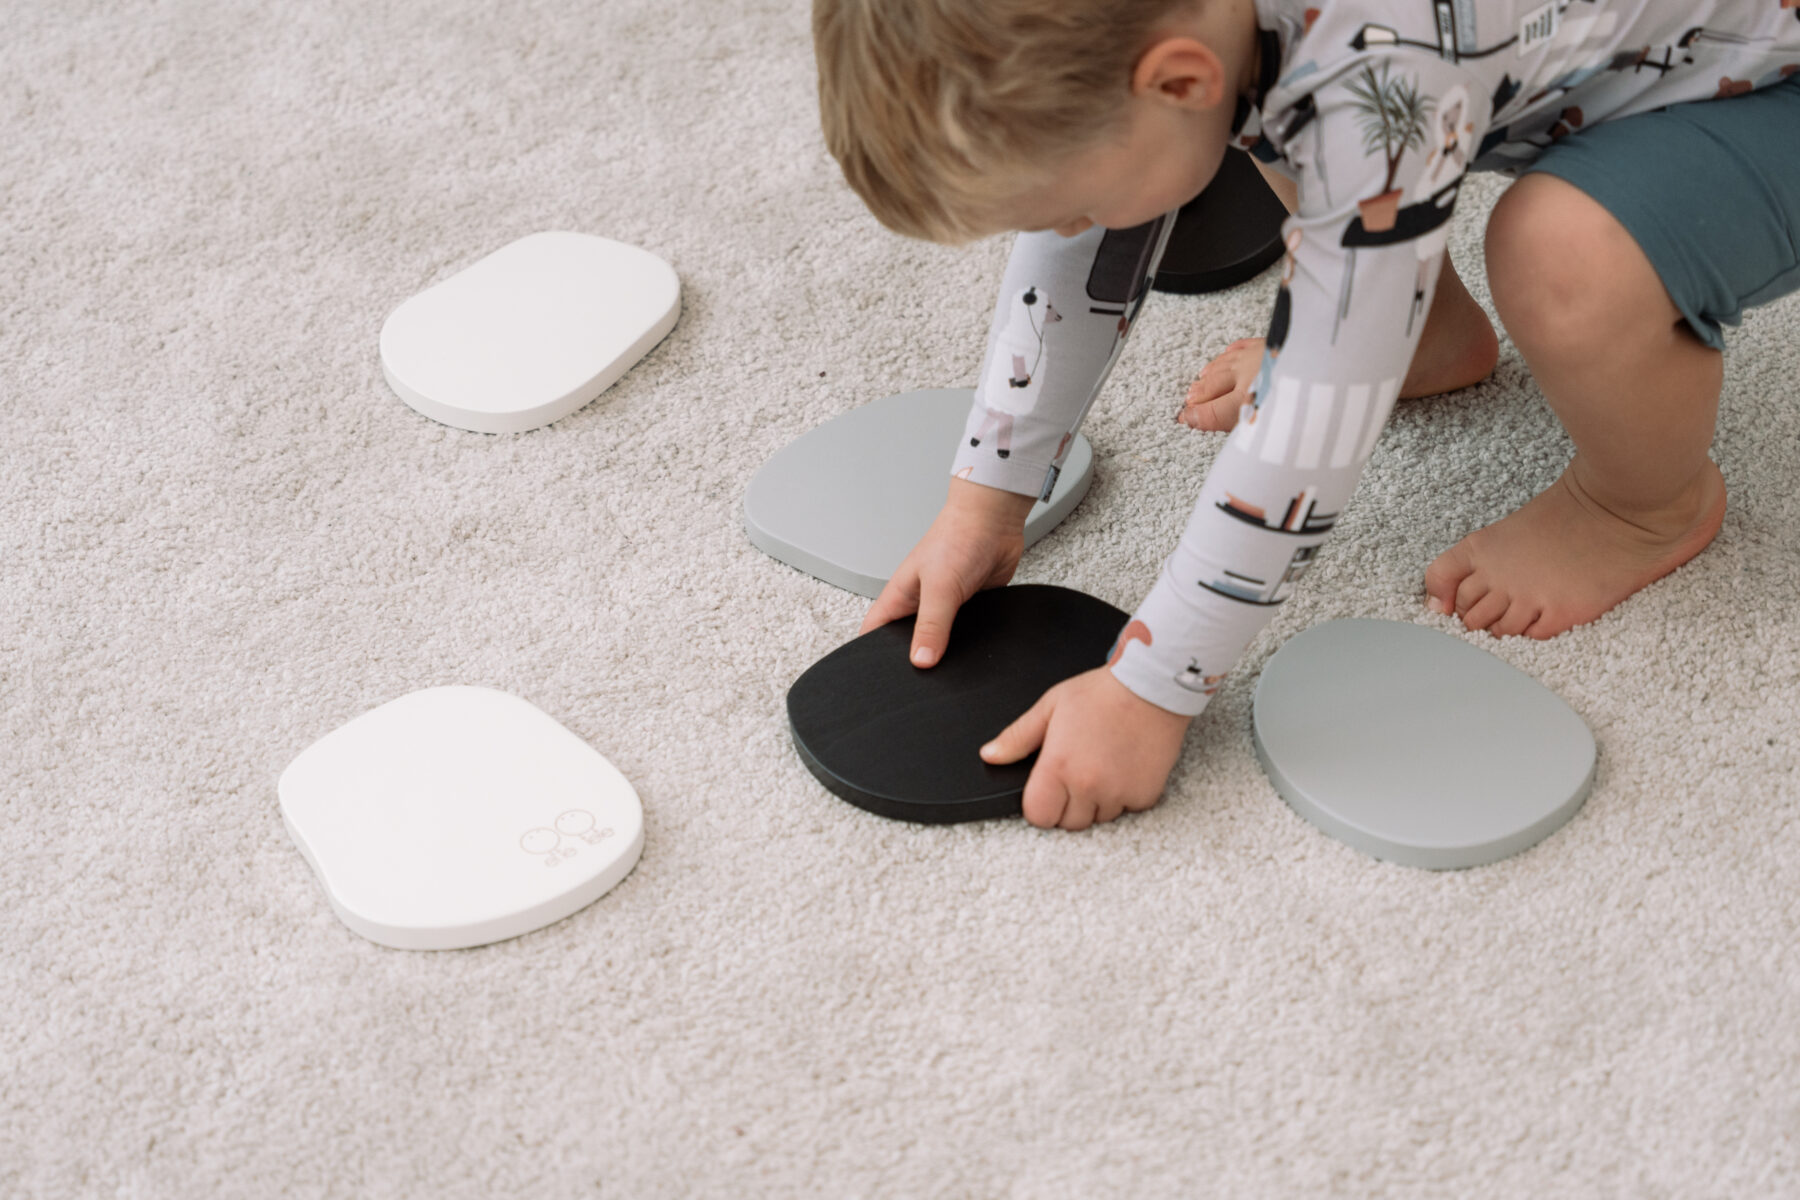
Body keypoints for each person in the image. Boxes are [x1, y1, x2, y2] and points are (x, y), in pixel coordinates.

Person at [812, 0, 1800, 829]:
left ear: (1178, 78)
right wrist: (986, 498)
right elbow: (1089, 246)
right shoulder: (1202, 38)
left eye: (1069, 206)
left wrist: (1155, 686)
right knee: (1277, 108)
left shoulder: (1375, 75)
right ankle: (1418, 330)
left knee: (1562, 256)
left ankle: (1642, 506)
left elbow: (1314, 418)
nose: (1069, 229)